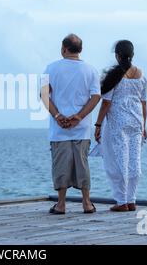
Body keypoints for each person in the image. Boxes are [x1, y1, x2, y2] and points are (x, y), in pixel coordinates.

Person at [41, 33, 101, 215]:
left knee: (60, 165)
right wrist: (79, 117)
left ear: (63, 48)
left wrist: (58, 116)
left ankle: (61, 204)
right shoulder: (91, 70)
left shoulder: (50, 68)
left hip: (58, 129)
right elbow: (96, 96)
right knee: (82, 165)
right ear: (80, 50)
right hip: (81, 128)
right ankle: (87, 203)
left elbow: (43, 94)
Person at [94, 40, 147, 212]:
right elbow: (144, 103)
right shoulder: (141, 75)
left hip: (118, 123)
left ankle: (121, 201)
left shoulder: (115, 76)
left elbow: (106, 104)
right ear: (132, 55)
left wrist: (97, 124)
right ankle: (131, 200)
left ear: (117, 55)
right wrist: (144, 126)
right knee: (134, 161)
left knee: (117, 161)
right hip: (136, 122)